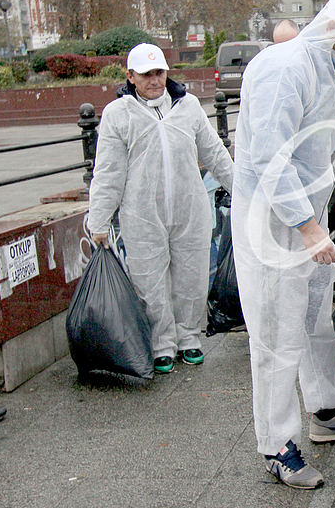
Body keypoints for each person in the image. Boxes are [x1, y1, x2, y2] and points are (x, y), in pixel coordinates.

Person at [231, 0, 335, 490]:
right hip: (271, 222)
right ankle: (276, 445)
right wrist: (306, 228)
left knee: (318, 316)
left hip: (311, 217)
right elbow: (267, 157)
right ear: (334, 30)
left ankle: (326, 409)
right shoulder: (284, 70)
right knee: (277, 334)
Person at [87, 43, 233, 374]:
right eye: (146, 74)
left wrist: (242, 190)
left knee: (192, 276)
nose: (154, 80)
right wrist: (99, 221)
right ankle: (161, 344)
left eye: (160, 73)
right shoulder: (118, 115)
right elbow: (108, 171)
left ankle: (189, 338)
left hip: (189, 208)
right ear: (131, 76)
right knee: (149, 280)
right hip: (141, 212)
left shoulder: (188, 106)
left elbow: (213, 153)